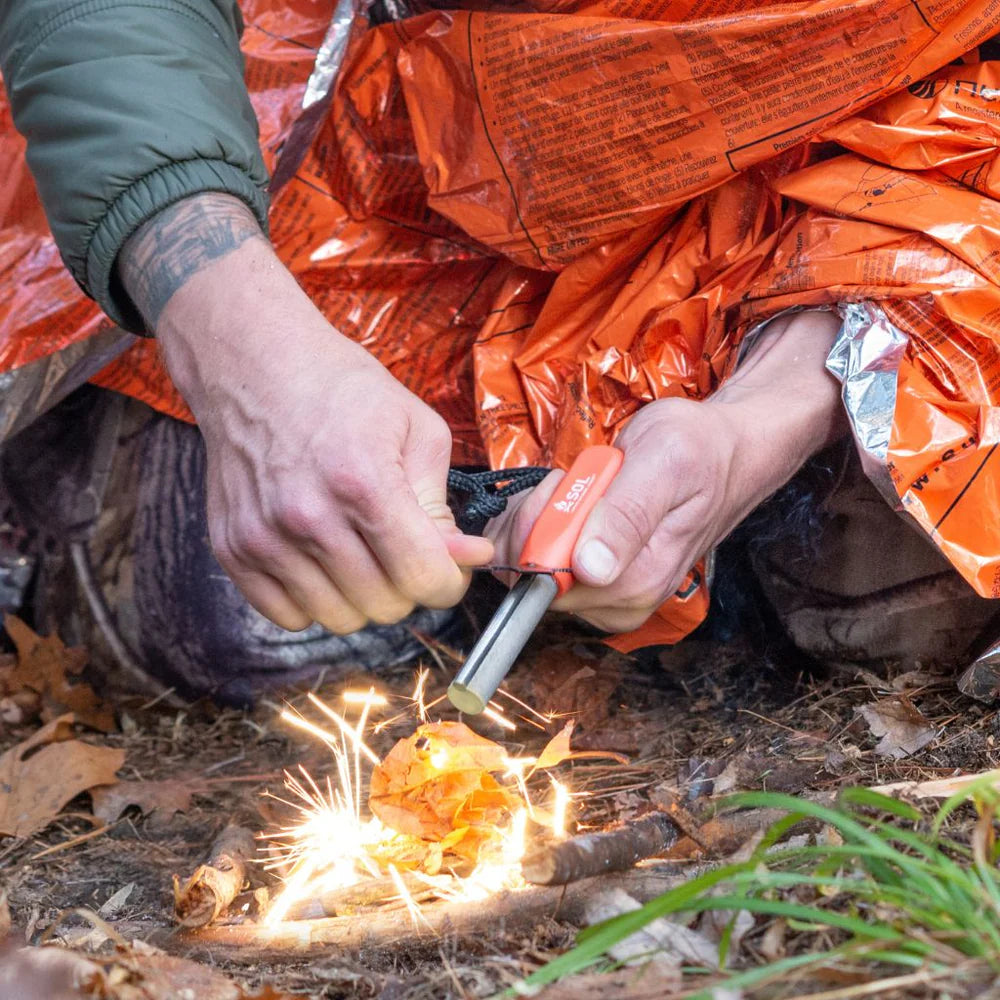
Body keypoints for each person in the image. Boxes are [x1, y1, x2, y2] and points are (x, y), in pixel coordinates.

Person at [0, 0, 994, 701]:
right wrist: (244, 354)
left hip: (809, 176)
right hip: (327, 153)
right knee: (251, 617)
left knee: (916, 562)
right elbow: (107, 23)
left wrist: (762, 424)